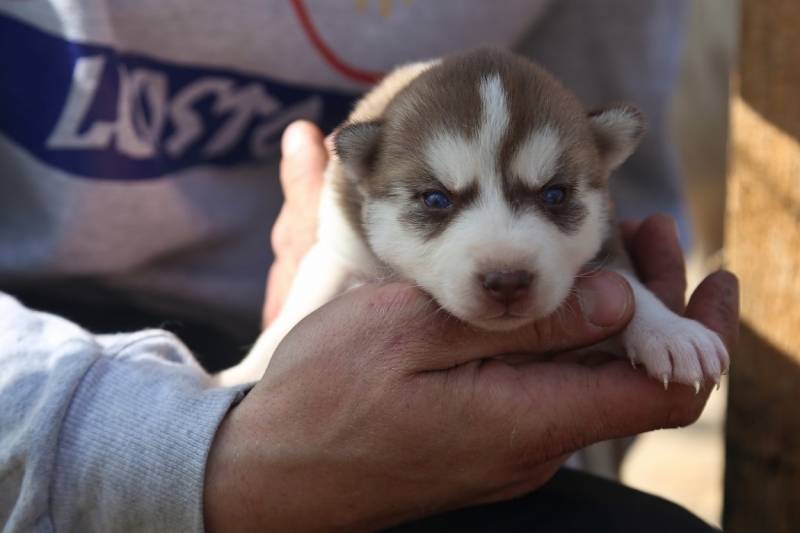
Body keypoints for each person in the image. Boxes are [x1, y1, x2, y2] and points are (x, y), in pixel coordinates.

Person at [0, 0, 738, 531]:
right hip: (47, 341)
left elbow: (609, 228)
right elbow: (327, 272)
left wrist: (640, 322)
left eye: (550, 197)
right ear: (356, 180)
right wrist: (213, 446)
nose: (508, 258)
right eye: (439, 203)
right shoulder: (351, 189)